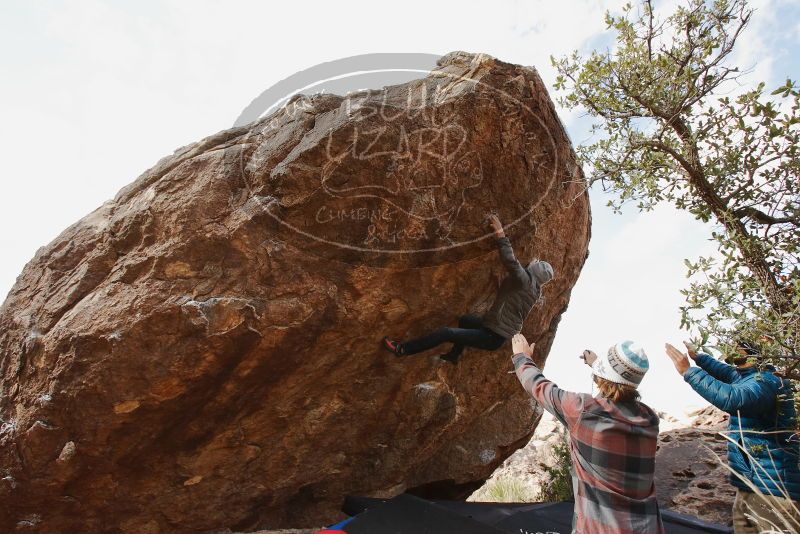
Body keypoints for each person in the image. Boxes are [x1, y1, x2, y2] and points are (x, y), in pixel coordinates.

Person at [512, 334, 664, 534]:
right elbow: (620, 390)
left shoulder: (584, 410)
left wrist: (522, 357)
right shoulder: (649, 421)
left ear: (602, 377)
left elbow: (539, 386)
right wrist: (598, 365)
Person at [664, 340, 800, 533]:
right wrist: (699, 358)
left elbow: (732, 399)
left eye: (736, 348)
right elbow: (726, 372)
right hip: (751, 484)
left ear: (750, 353)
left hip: (774, 490)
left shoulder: (767, 381)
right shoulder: (748, 375)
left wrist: (689, 371)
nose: (730, 350)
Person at [382, 214, 554, 363]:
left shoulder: (524, 281)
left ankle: (403, 350)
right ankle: (454, 355)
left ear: (534, 271)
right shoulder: (533, 290)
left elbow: (511, 262)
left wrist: (500, 234)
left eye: (534, 265)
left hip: (492, 336)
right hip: (491, 328)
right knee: (465, 320)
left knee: (446, 333)